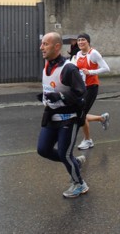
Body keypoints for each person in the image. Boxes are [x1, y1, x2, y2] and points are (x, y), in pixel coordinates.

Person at [36, 32, 88, 198]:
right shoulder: (47, 65)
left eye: (45, 44)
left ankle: (79, 184)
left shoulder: (69, 68)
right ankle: (75, 162)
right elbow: (52, 85)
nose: (41, 47)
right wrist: (44, 96)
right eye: (42, 44)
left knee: (64, 153)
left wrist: (61, 97)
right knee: (43, 150)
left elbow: (81, 93)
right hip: (52, 116)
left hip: (69, 118)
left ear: (57, 46)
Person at [74, 33, 110, 150]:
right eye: (79, 40)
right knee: (79, 114)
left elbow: (106, 68)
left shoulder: (93, 53)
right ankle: (102, 119)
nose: (80, 42)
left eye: (83, 40)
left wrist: (90, 72)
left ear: (88, 41)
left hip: (92, 87)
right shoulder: (78, 54)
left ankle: (88, 140)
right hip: (82, 88)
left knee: (81, 114)